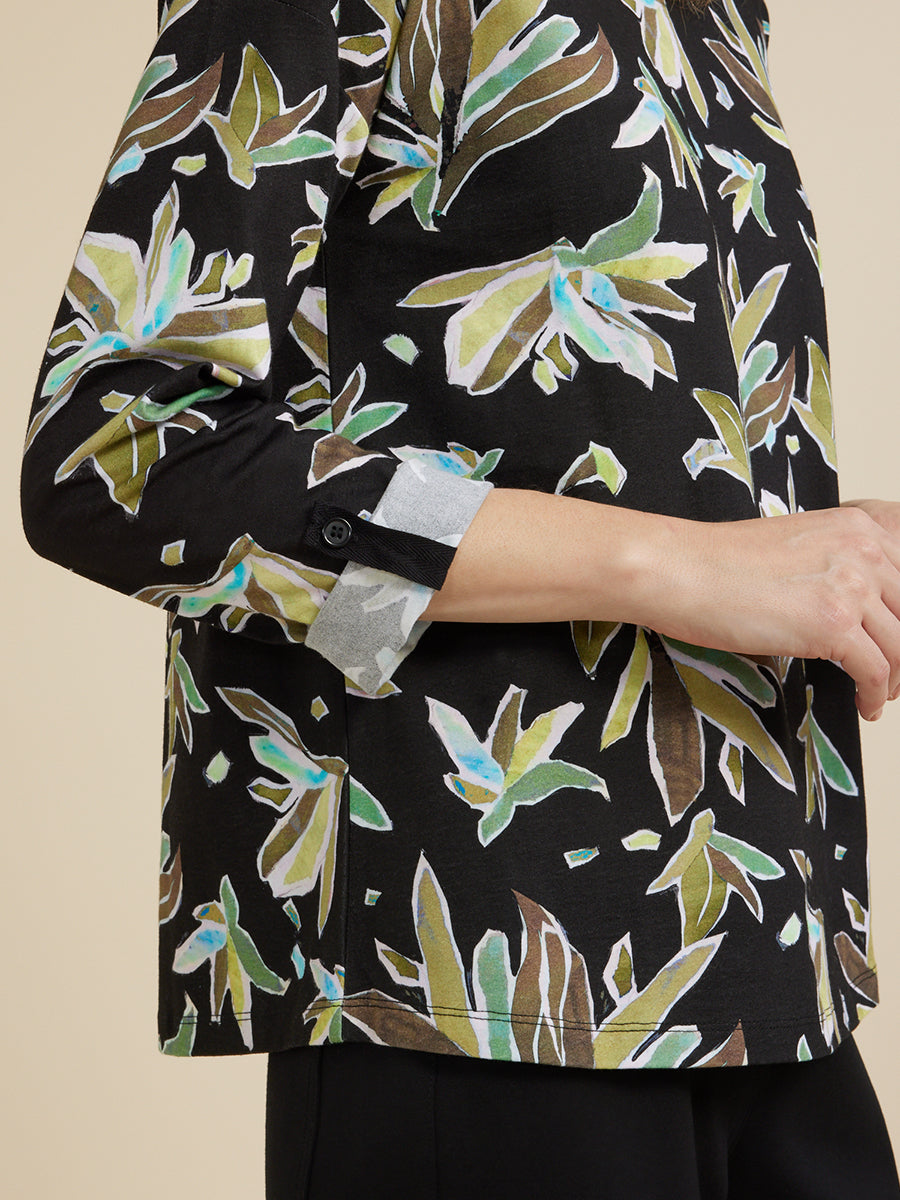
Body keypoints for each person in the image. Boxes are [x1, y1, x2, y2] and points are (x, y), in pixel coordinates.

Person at [19, 0, 900, 1195]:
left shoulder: (723, 17)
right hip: (470, 970)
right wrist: (668, 565)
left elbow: (596, 437)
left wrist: (838, 557)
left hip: (769, 961)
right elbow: (118, 456)